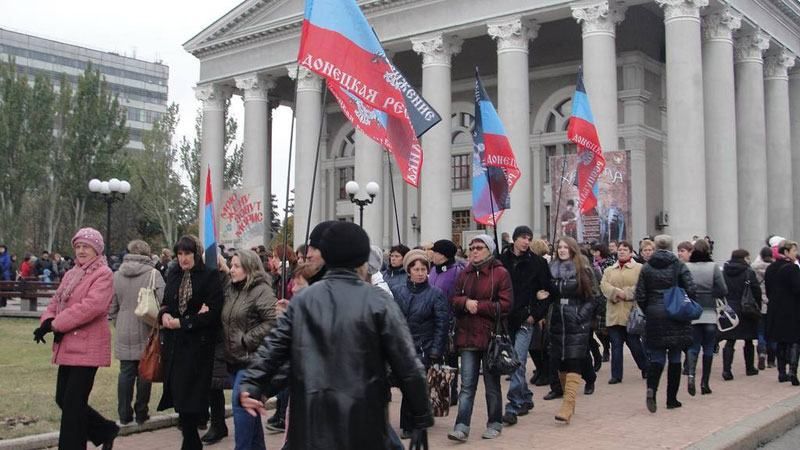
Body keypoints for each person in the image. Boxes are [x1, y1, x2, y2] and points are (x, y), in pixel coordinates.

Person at [238, 221, 433, 449]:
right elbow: (408, 366)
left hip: (311, 424)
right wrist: (421, 418)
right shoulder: (379, 302)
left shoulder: (302, 301)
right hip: (363, 424)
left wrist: (252, 384)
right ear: (362, 259)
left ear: (327, 255)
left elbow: (272, 350)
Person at [34, 227, 119, 449]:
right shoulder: (72, 273)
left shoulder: (103, 274)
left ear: (96, 250)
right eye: (78, 246)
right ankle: (104, 429)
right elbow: (56, 300)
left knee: (73, 403)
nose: (81, 251)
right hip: (69, 345)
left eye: (86, 247)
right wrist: (46, 321)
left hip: (89, 346)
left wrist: (56, 324)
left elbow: (91, 307)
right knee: (63, 399)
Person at [157, 235, 224, 450]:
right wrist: (165, 315)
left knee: (192, 397)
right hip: (175, 344)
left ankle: (191, 442)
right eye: (180, 254)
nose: (184, 258)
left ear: (196, 254)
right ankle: (191, 440)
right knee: (180, 396)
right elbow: (167, 302)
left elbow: (212, 313)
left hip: (198, 346)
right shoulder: (174, 273)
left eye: (188, 253)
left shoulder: (209, 276)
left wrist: (184, 322)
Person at [448, 234, 513, 442]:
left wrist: (479, 306)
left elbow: (506, 305)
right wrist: (465, 302)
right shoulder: (464, 273)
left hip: (490, 336)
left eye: (479, 247)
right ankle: (461, 426)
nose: (474, 251)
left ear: (489, 250)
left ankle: (494, 422)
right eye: (472, 247)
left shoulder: (500, 273)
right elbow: (454, 298)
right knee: (467, 385)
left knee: (492, 385)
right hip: (467, 336)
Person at [218, 249, 277, 450]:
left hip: (252, 361)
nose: (231, 270)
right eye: (231, 265)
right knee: (249, 414)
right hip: (233, 361)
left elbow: (274, 320)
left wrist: (247, 339)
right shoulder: (232, 289)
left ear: (249, 268)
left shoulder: (261, 290)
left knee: (242, 409)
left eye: (236, 266)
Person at [390, 249, 449, 439]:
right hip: (403, 348)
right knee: (407, 386)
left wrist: (435, 350)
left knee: (418, 386)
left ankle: (415, 423)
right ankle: (408, 423)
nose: (420, 272)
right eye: (416, 269)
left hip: (425, 347)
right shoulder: (398, 292)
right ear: (408, 270)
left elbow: (442, 324)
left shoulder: (435, 294)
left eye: (424, 269)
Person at [498, 225, 553, 426]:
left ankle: (513, 405)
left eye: (529, 238)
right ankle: (526, 396)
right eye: (523, 237)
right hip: (505, 318)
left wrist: (535, 314)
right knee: (512, 360)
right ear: (514, 239)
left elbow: (548, 291)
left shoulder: (537, 263)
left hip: (525, 319)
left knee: (517, 360)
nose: (526, 241)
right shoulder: (501, 261)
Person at [635, 235, 695, 413]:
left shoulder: (646, 267)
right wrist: (687, 306)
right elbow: (691, 288)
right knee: (675, 356)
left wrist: (649, 309)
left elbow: (640, 294)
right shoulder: (678, 265)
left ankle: (651, 389)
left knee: (657, 356)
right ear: (671, 246)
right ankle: (671, 399)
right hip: (676, 312)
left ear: (654, 247)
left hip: (654, 313)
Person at [109, 240, 166, 426]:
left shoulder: (117, 275)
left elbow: (112, 306)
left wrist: (119, 322)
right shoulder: (153, 274)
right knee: (144, 371)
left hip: (124, 325)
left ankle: (124, 413)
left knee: (125, 372)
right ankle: (141, 412)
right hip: (146, 326)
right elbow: (163, 301)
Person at [546, 236, 599, 424]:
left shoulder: (581, 270)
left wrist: (580, 316)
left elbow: (592, 297)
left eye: (565, 247)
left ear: (572, 250)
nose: (561, 250)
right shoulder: (551, 270)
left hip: (576, 321)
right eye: (559, 247)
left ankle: (567, 405)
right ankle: (568, 401)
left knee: (573, 361)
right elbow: (549, 292)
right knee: (559, 361)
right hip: (557, 321)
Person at [600, 241, 648, 384]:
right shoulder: (609, 270)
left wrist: (625, 294)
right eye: (619, 249)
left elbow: (640, 286)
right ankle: (616, 375)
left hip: (630, 313)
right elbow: (604, 286)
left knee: (634, 343)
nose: (621, 252)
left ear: (631, 252)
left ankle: (645, 367)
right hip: (614, 313)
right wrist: (615, 293)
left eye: (625, 249)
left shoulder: (639, 268)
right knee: (616, 344)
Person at [685, 239, 727, 395]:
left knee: (693, 346)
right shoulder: (713, 267)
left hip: (692, 311)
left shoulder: (687, 267)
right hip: (709, 311)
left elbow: (682, 287)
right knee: (708, 347)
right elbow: (723, 289)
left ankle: (690, 375)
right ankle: (705, 383)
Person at [720, 249, 762, 380]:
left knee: (730, 340)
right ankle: (749, 368)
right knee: (748, 339)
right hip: (746, 308)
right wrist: (757, 307)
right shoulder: (748, 272)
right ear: (744, 258)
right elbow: (756, 290)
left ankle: (727, 370)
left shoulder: (724, 271)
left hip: (729, 308)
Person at [764, 240, 800, 385]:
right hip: (792, 309)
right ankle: (792, 370)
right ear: (785, 252)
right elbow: (797, 289)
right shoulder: (792, 268)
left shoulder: (771, 267)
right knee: (795, 340)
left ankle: (781, 372)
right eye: (793, 251)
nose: (796, 254)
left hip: (776, 309)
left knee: (781, 341)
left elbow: (768, 288)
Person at [752, 246, 775, 369]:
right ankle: (771, 360)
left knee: (760, 331)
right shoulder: (774, 267)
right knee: (771, 332)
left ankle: (761, 351)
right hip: (771, 303)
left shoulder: (754, 268)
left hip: (759, 303)